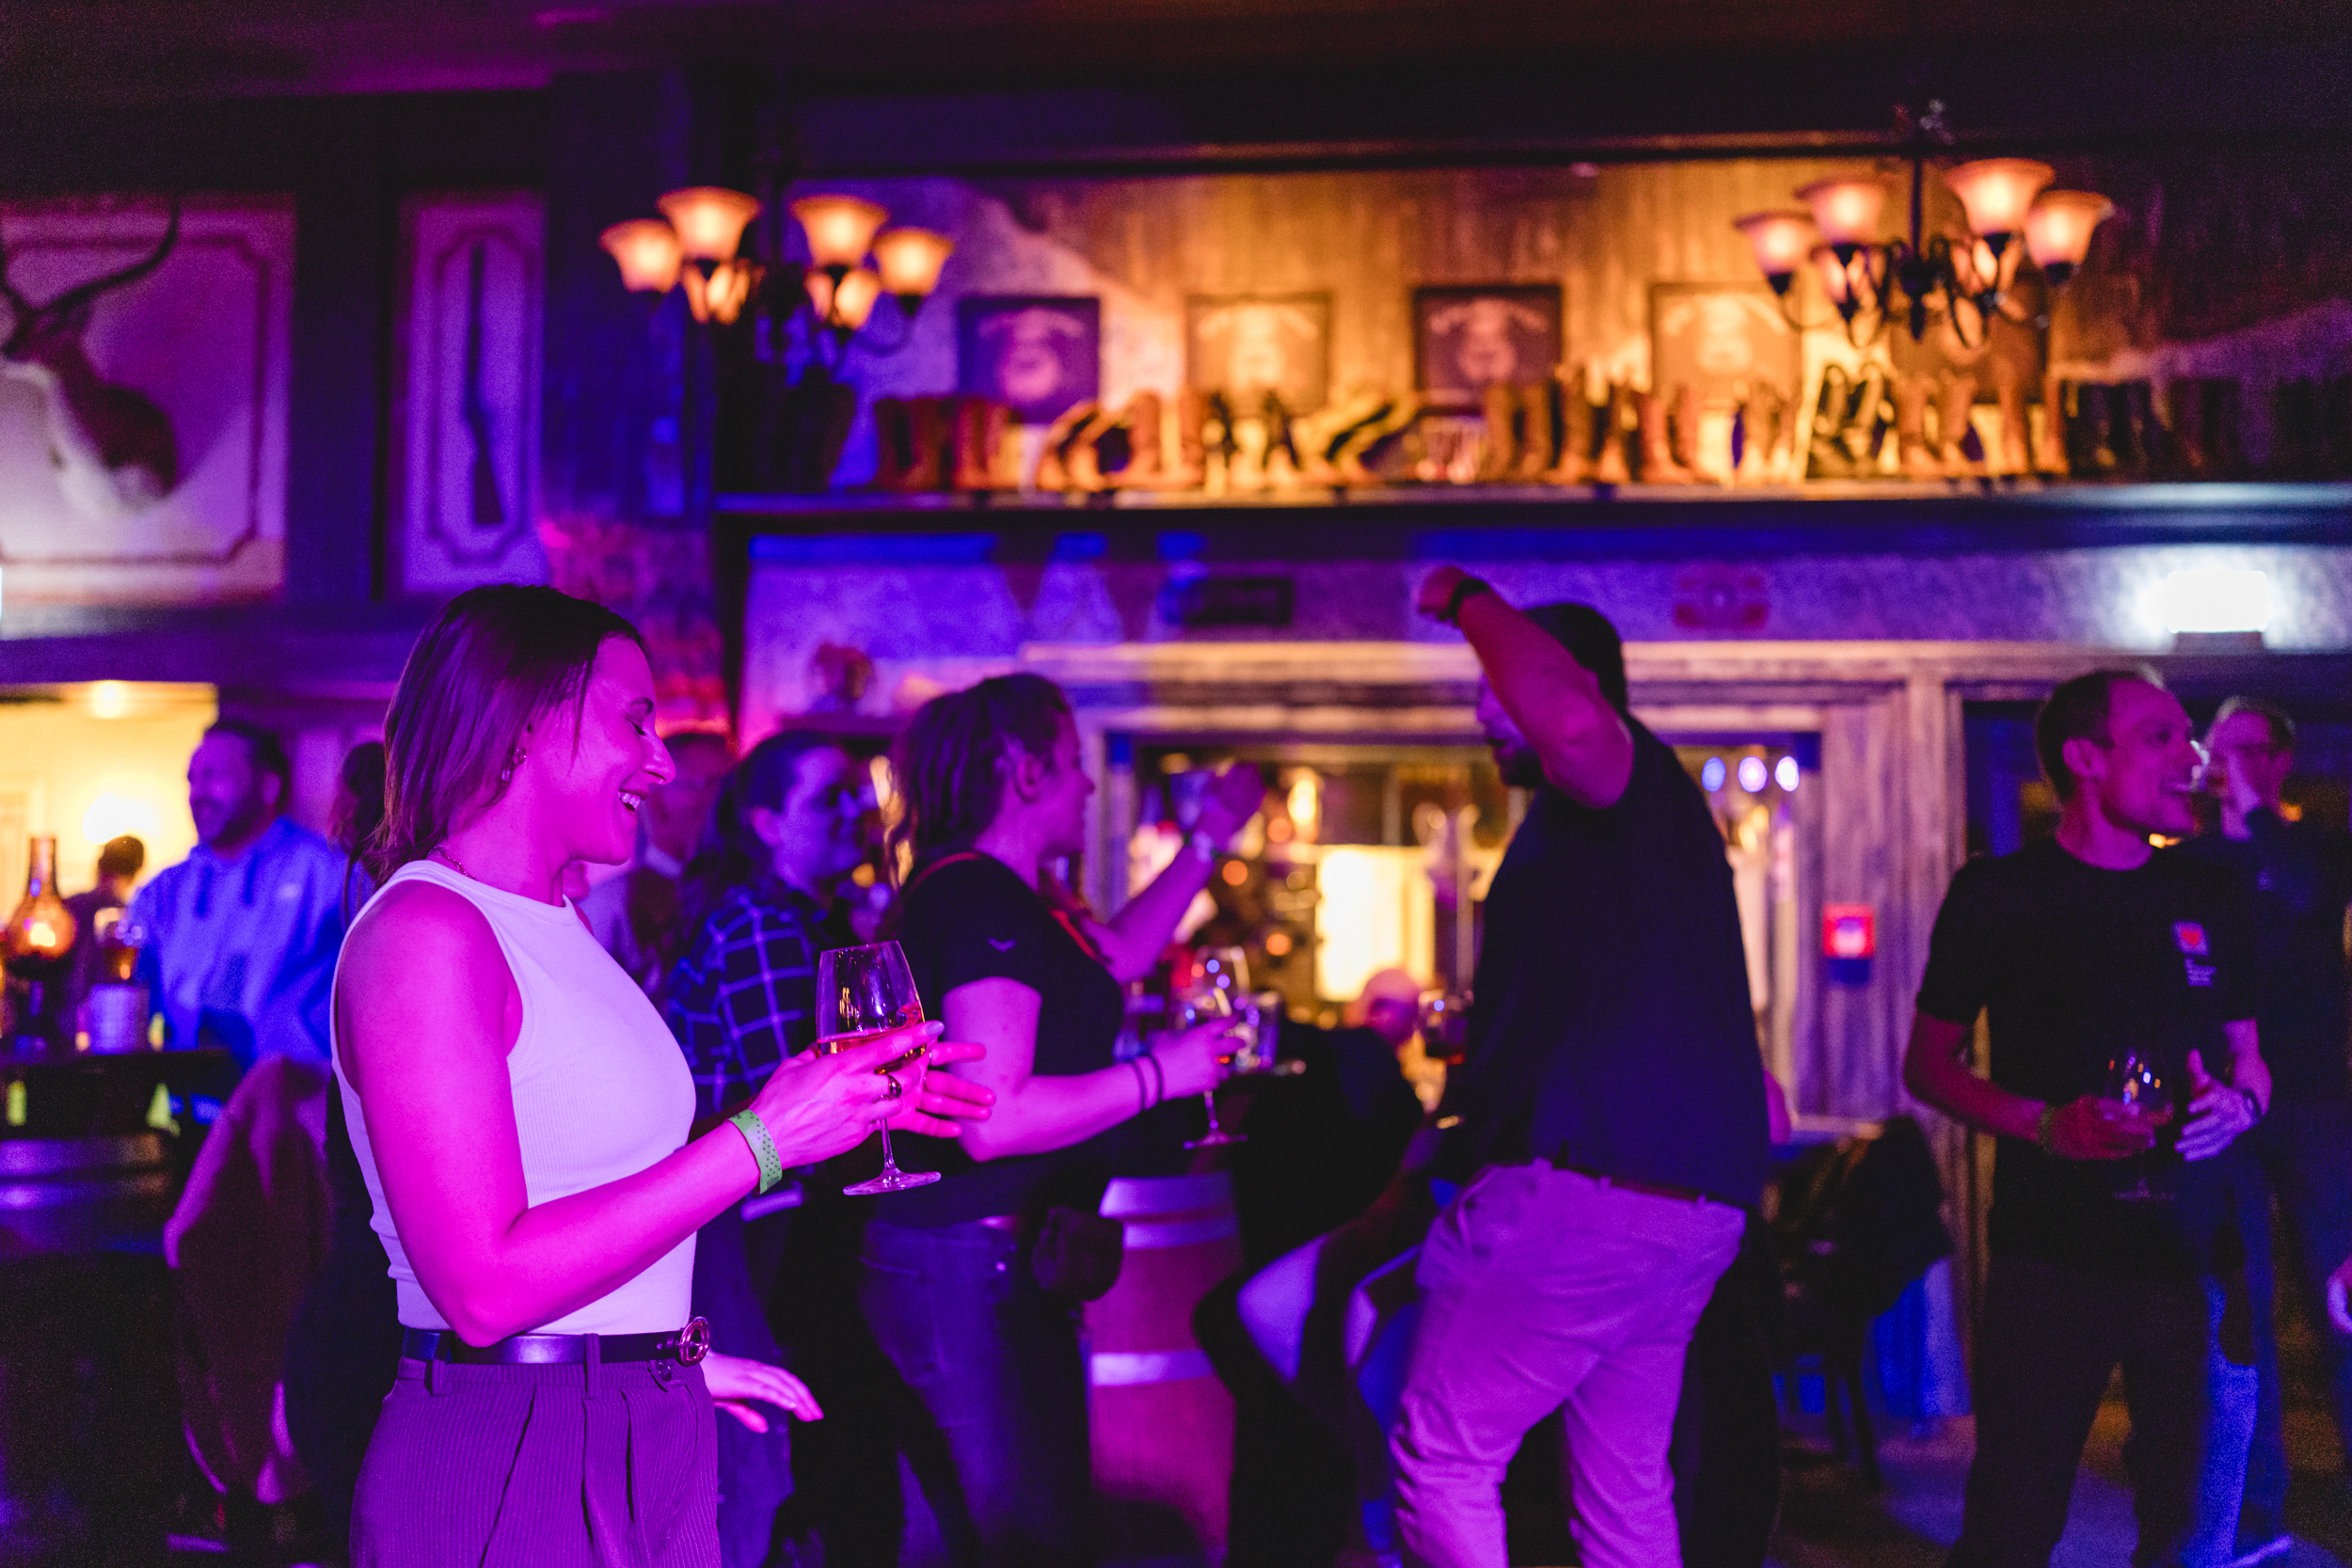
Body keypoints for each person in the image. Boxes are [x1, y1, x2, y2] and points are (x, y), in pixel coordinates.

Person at [331, 584, 991, 1565]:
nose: (663, 761)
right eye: (634, 720)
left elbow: (586, 1186)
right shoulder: (427, 930)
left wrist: (648, 1353)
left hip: (617, 1407)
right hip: (516, 1439)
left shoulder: (554, 924)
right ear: (527, 719)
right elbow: (481, 1287)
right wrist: (763, 1139)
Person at [1390, 567, 1768, 1568]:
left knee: (1442, 1456)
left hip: (1596, 1193)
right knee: (1622, 1489)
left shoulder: (1623, 776)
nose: (1485, 713)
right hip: (1682, 1207)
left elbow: (1568, 724)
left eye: (1496, 689)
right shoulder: (1615, 837)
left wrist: (1468, 599)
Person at [861, 673, 1255, 1567]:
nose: (1084, 784)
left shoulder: (997, 892)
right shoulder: (983, 899)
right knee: (1023, 1539)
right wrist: (1161, 1074)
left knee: (955, 1539)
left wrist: (1210, 837)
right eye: (1073, 761)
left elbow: (1121, 954)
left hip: (960, 1256)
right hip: (971, 1262)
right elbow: (992, 1116)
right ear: (1024, 769)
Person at [1903, 668, 2268, 1568]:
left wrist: (2241, 1103)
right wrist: (2044, 1124)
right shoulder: (1999, 893)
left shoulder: (2211, 893)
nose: (2190, 757)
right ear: (2085, 757)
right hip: (2051, 1260)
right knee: (2011, 1529)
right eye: (2160, 737)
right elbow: (1928, 1066)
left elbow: (2251, 1058)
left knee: (2189, 1537)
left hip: (2195, 1259)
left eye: (2188, 736)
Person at [665, 731, 872, 1568]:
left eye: (856, 792)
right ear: (767, 823)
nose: (856, 811)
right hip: (752, 1223)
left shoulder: (805, 919)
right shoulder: (759, 923)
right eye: (829, 798)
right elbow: (790, 1107)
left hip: (765, 1217)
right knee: (795, 1459)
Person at [2191, 696, 2352, 1564]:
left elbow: (2300, 892)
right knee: (2244, 1306)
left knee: (2343, 1293)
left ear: (2281, 760)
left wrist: (2256, 810)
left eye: (2246, 748)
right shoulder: (2195, 860)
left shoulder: (2317, 848)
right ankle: (2259, 1506)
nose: (2226, 763)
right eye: (2217, 749)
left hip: (2319, 1102)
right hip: (2234, 1106)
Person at [130, 720, 353, 1069]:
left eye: (214, 777)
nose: (198, 794)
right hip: (186, 1095)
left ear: (268, 787)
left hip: (296, 1096)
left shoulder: (327, 875)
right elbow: (134, 1001)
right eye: (192, 780)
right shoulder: (165, 890)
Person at [581, 728, 736, 991]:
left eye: (734, 784)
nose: (727, 800)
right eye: (707, 784)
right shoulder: (612, 903)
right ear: (658, 804)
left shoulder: (750, 891)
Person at [61, 832, 144, 1027]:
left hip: (64, 1016)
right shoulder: (126, 918)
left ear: (98, 866)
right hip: (107, 1016)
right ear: (135, 872)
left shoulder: (69, 905)